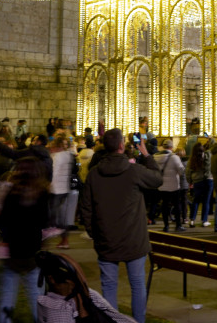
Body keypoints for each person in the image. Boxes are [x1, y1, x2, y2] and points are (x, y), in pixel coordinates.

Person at [82, 128, 162, 323]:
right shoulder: (133, 171)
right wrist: (145, 153)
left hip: (107, 239)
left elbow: (86, 209)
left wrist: (95, 233)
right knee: (137, 284)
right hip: (134, 240)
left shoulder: (94, 175)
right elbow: (157, 179)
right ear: (121, 145)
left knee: (109, 286)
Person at [0, 157, 48, 323]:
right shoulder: (41, 194)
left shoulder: (11, 193)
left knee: (8, 291)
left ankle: (5, 319)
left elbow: (2, 220)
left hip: (12, 248)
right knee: (35, 292)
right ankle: (39, 319)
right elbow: (44, 221)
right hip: (33, 249)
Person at [153, 139, 185, 232]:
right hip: (174, 185)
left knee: (164, 205)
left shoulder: (155, 157)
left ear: (163, 146)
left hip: (161, 185)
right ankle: (178, 225)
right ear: (171, 147)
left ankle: (166, 225)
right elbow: (181, 171)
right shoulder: (174, 157)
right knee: (176, 205)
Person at [49, 132, 74, 248]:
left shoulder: (57, 157)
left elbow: (54, 172)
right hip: (64, 188)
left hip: (55, 189)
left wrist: (48, 185)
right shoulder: (68, 155)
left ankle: (60, 237)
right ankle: (64, 239)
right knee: (61, 214)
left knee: (54, 215)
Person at [186, 142, 213, 227]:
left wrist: (190, 181)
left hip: (197, 181)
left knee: (195, 200)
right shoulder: (207, 156)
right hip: (208, 180)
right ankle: (204, 221)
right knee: (206, 201)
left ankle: (192, 220)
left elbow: (188, 172)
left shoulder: (192, 159)